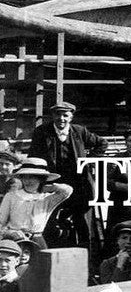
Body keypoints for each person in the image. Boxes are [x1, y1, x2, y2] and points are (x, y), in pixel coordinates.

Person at [27, 101, 108, 245]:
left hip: (79, 184)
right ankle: (54, 253)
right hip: (53, 184)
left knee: (82, 222)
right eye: (58, 115)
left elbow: (102, 143)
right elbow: (33, 156)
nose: (61, 119)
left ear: (71, 117)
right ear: (53, 116)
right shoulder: (41, 132)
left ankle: (84, 257)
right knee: (49, 220)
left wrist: (88, 161)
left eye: (65, 115)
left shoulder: (79, 131)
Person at [0, 158, 74, 248]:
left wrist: (48, 188)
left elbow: (67, 191)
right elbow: (1, 222)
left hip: (37, 239)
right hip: (15, 239)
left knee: (42, 260)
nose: (28, 181)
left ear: (41, 179)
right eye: (25, 177)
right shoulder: (11, 196)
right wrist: (10, 233)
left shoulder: (46, 198)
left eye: (33, 177)